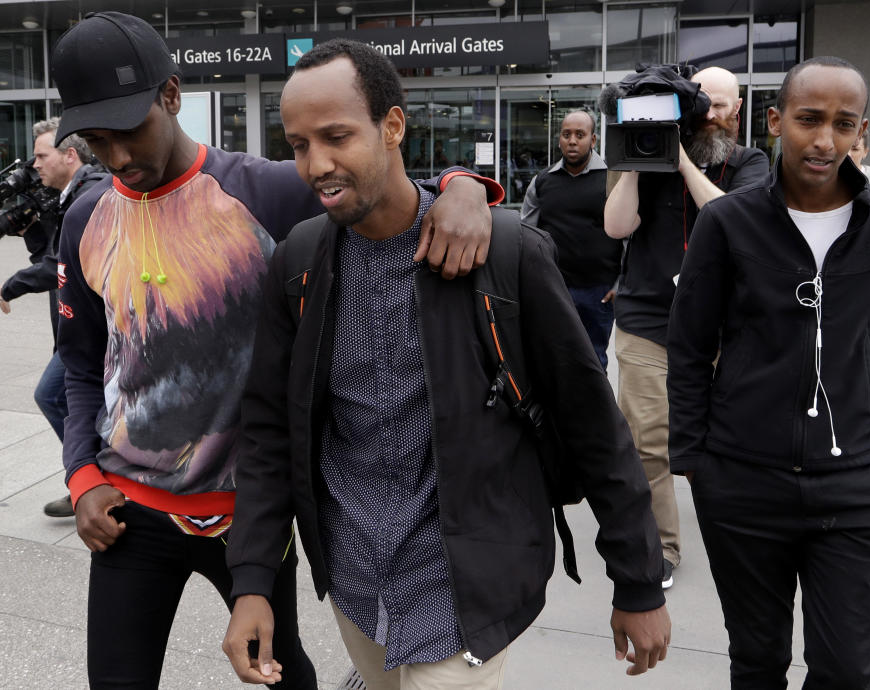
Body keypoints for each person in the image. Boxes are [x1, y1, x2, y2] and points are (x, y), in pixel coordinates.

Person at [51, 12, 498, 688]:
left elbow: (386, 190)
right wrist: (82, 477)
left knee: (283, 675)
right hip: (130, 514)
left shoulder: (268, 191)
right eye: (94, 140)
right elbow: (81, 365)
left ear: (171, 96)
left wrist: (467, 187)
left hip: (254, 517)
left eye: (129, 130)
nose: (116, 158)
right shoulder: (85, 218)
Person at [222, 39, 671, 689]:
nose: (316, 163)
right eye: (297, 145)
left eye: (337, 136)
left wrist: (638, 580)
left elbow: (594, 424)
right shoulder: (299, 261)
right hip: (355, 585)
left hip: (463, 587)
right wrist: (254, 581)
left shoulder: (506, 254)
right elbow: (267, 430)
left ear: (393, 126)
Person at [667, 56, 870, 688]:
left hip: (857, 487)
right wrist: (697, 458)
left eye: (844, 125)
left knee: (848, 669)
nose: (824, 140)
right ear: (775, 121)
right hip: (741, 485)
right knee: (757, 663)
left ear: (861, 133)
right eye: (809, 120)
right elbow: (688, 345)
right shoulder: (726, 220)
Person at [603, 66, 769, 588]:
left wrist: (680, 163)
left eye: (719, 106)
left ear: (737, 111)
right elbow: (615, 227)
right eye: (700, 106)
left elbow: (738, 222)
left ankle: (743, 533)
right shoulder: (646, 159)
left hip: (725, 329)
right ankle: (662, 548)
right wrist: (635, 161)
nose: (709, 116)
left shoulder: (751, 162)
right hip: (647, 322)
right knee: (647, 441)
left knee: (731, 440)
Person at [0, 117, 106, 518]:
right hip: (77, 327)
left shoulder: (89, 195)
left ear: (70, 155)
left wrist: (9, 286)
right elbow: (47, 254)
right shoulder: (67, 195)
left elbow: (57, 265)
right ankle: (89, 475)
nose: (36, 164)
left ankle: (91, 475)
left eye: (43, 155)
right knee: (82, 403)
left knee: (51, 394)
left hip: (90, 329)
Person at [520, 109, 622, 370]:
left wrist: (620, 282)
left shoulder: (612, 179)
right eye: (567, 135)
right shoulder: (542, 182)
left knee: (593, 360)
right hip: (554, 288)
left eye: (580, 134)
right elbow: (526, 235)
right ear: (559, 140)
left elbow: (628, 236)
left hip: (599, 291)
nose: (573, 141)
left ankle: (594, 411)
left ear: (593, 140)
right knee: (553, 358)